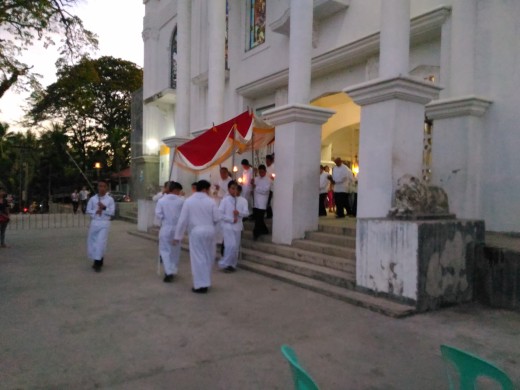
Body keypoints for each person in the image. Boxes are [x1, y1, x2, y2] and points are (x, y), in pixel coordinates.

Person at [173, 180, 220, 294]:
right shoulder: (211, 201)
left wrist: (177, 236)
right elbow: (217, 219)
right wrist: (218, 235)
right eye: (208, 189)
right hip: (210, 230)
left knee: (198, 258)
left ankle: (200, 284)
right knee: (208, 257)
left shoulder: (189, 201)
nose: (209, 192)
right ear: (204, 189)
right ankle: (206, 281)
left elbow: (182, 220)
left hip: (196, 231)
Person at [155, 181, 184, 283]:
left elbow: (158, 214)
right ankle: (172, 269)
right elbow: (183, 216)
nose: (180, 193)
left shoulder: (162, 201)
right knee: (175, 251)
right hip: (177, 228)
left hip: (166, 227)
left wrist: (165, 219)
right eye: (179, 191)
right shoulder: (181, 201)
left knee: (164, 250)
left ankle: (168, 271)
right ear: (176, 190)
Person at [218, 181, 249, 273]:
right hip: (228, 226)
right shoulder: (225, 200)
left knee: (235, 247)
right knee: (230, 245)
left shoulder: (243, 201)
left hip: (237, 226)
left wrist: (239, 213)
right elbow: (220, 214)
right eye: (232, 188)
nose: (234, 190)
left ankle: (232, 265)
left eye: (235, 188)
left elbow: (246, 213)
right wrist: (230, 219)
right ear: (228, 189)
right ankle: (225, 263)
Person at [86, 180, 115, 272]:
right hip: (95, 222)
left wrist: (104, 208)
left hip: (104, 223)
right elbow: (88, 210)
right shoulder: (93, 199)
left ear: (107, 188)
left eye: (104, 186)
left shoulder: (110, 200)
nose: (102, 188)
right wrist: (96, 211)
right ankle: (98, 259)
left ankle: (97, 263)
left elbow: (112, 212)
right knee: (93, 242)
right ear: (97, 187)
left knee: (100, 242)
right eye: (100, 186)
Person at [251, 164, 271, 240]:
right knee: (259, 218)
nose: (261, 173)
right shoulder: (256, 179)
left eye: (262, 172)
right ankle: (265, 230)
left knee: (259, 219)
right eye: (260, 172)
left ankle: (256, 233)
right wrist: (252, 184)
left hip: (262, 202)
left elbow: (265, 191)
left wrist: (256, 187)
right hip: (256, 202)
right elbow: (253, 188)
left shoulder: (268, 180)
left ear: (265, 171)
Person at [265, 154, 275, 219]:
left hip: (271, 186)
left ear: (271, 161)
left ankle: (270, 214)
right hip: (266, 186)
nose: (267, 162)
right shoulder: (266, 168)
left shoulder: (273, 167)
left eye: (268, 161)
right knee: (266, 200)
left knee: (269, 200)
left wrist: (272, 177)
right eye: (266, 161)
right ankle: (269, 213)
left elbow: (274, 177)